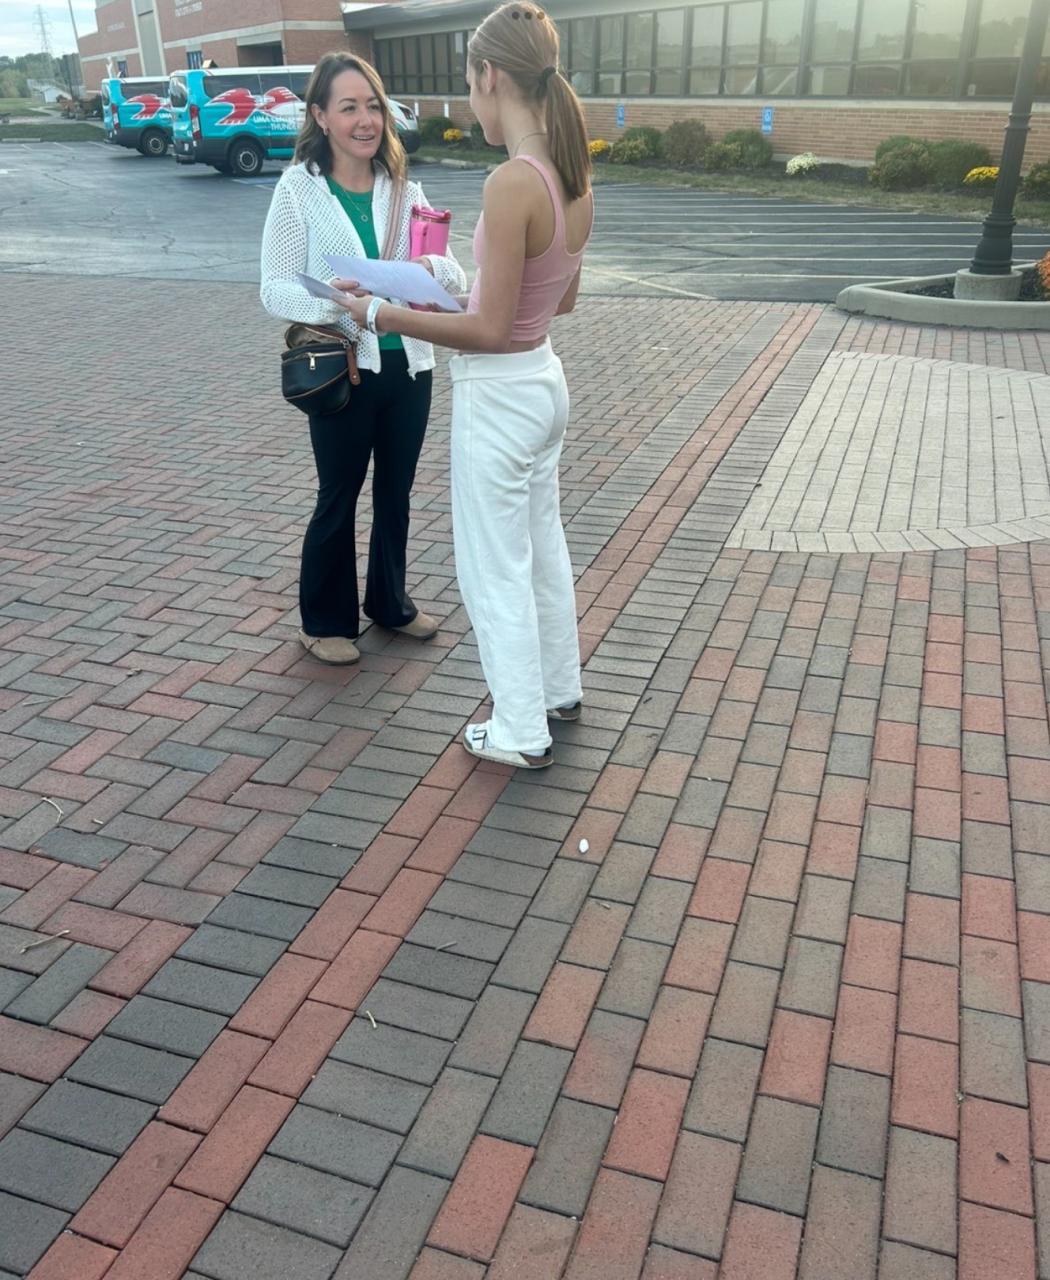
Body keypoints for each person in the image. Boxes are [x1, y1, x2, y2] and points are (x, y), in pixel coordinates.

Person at [333, 3, 593, 769]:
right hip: (542, 382)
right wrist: (446, 290)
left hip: (500, 394)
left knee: (494, 565)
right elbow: (554, 302)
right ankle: (558, 690)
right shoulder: (573, 176)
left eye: (468, 81)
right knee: (541, 551)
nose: (468, 98)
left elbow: (488, 330)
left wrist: (380, 311)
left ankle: (518, 729)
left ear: (491, 75)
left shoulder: (514, 180)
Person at [260, 52, 466, 665]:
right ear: (321, 116)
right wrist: (335, 303)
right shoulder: (300, 189)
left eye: (373, 106)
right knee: (340, 493)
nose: (364, 120)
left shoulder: (404, 188)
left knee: (396, 493)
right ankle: (323, 622)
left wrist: (429, 266)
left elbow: (454, 274)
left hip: (410, 365)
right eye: (348, 107)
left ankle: (389, 603)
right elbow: (274, 288)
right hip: (344, 367)